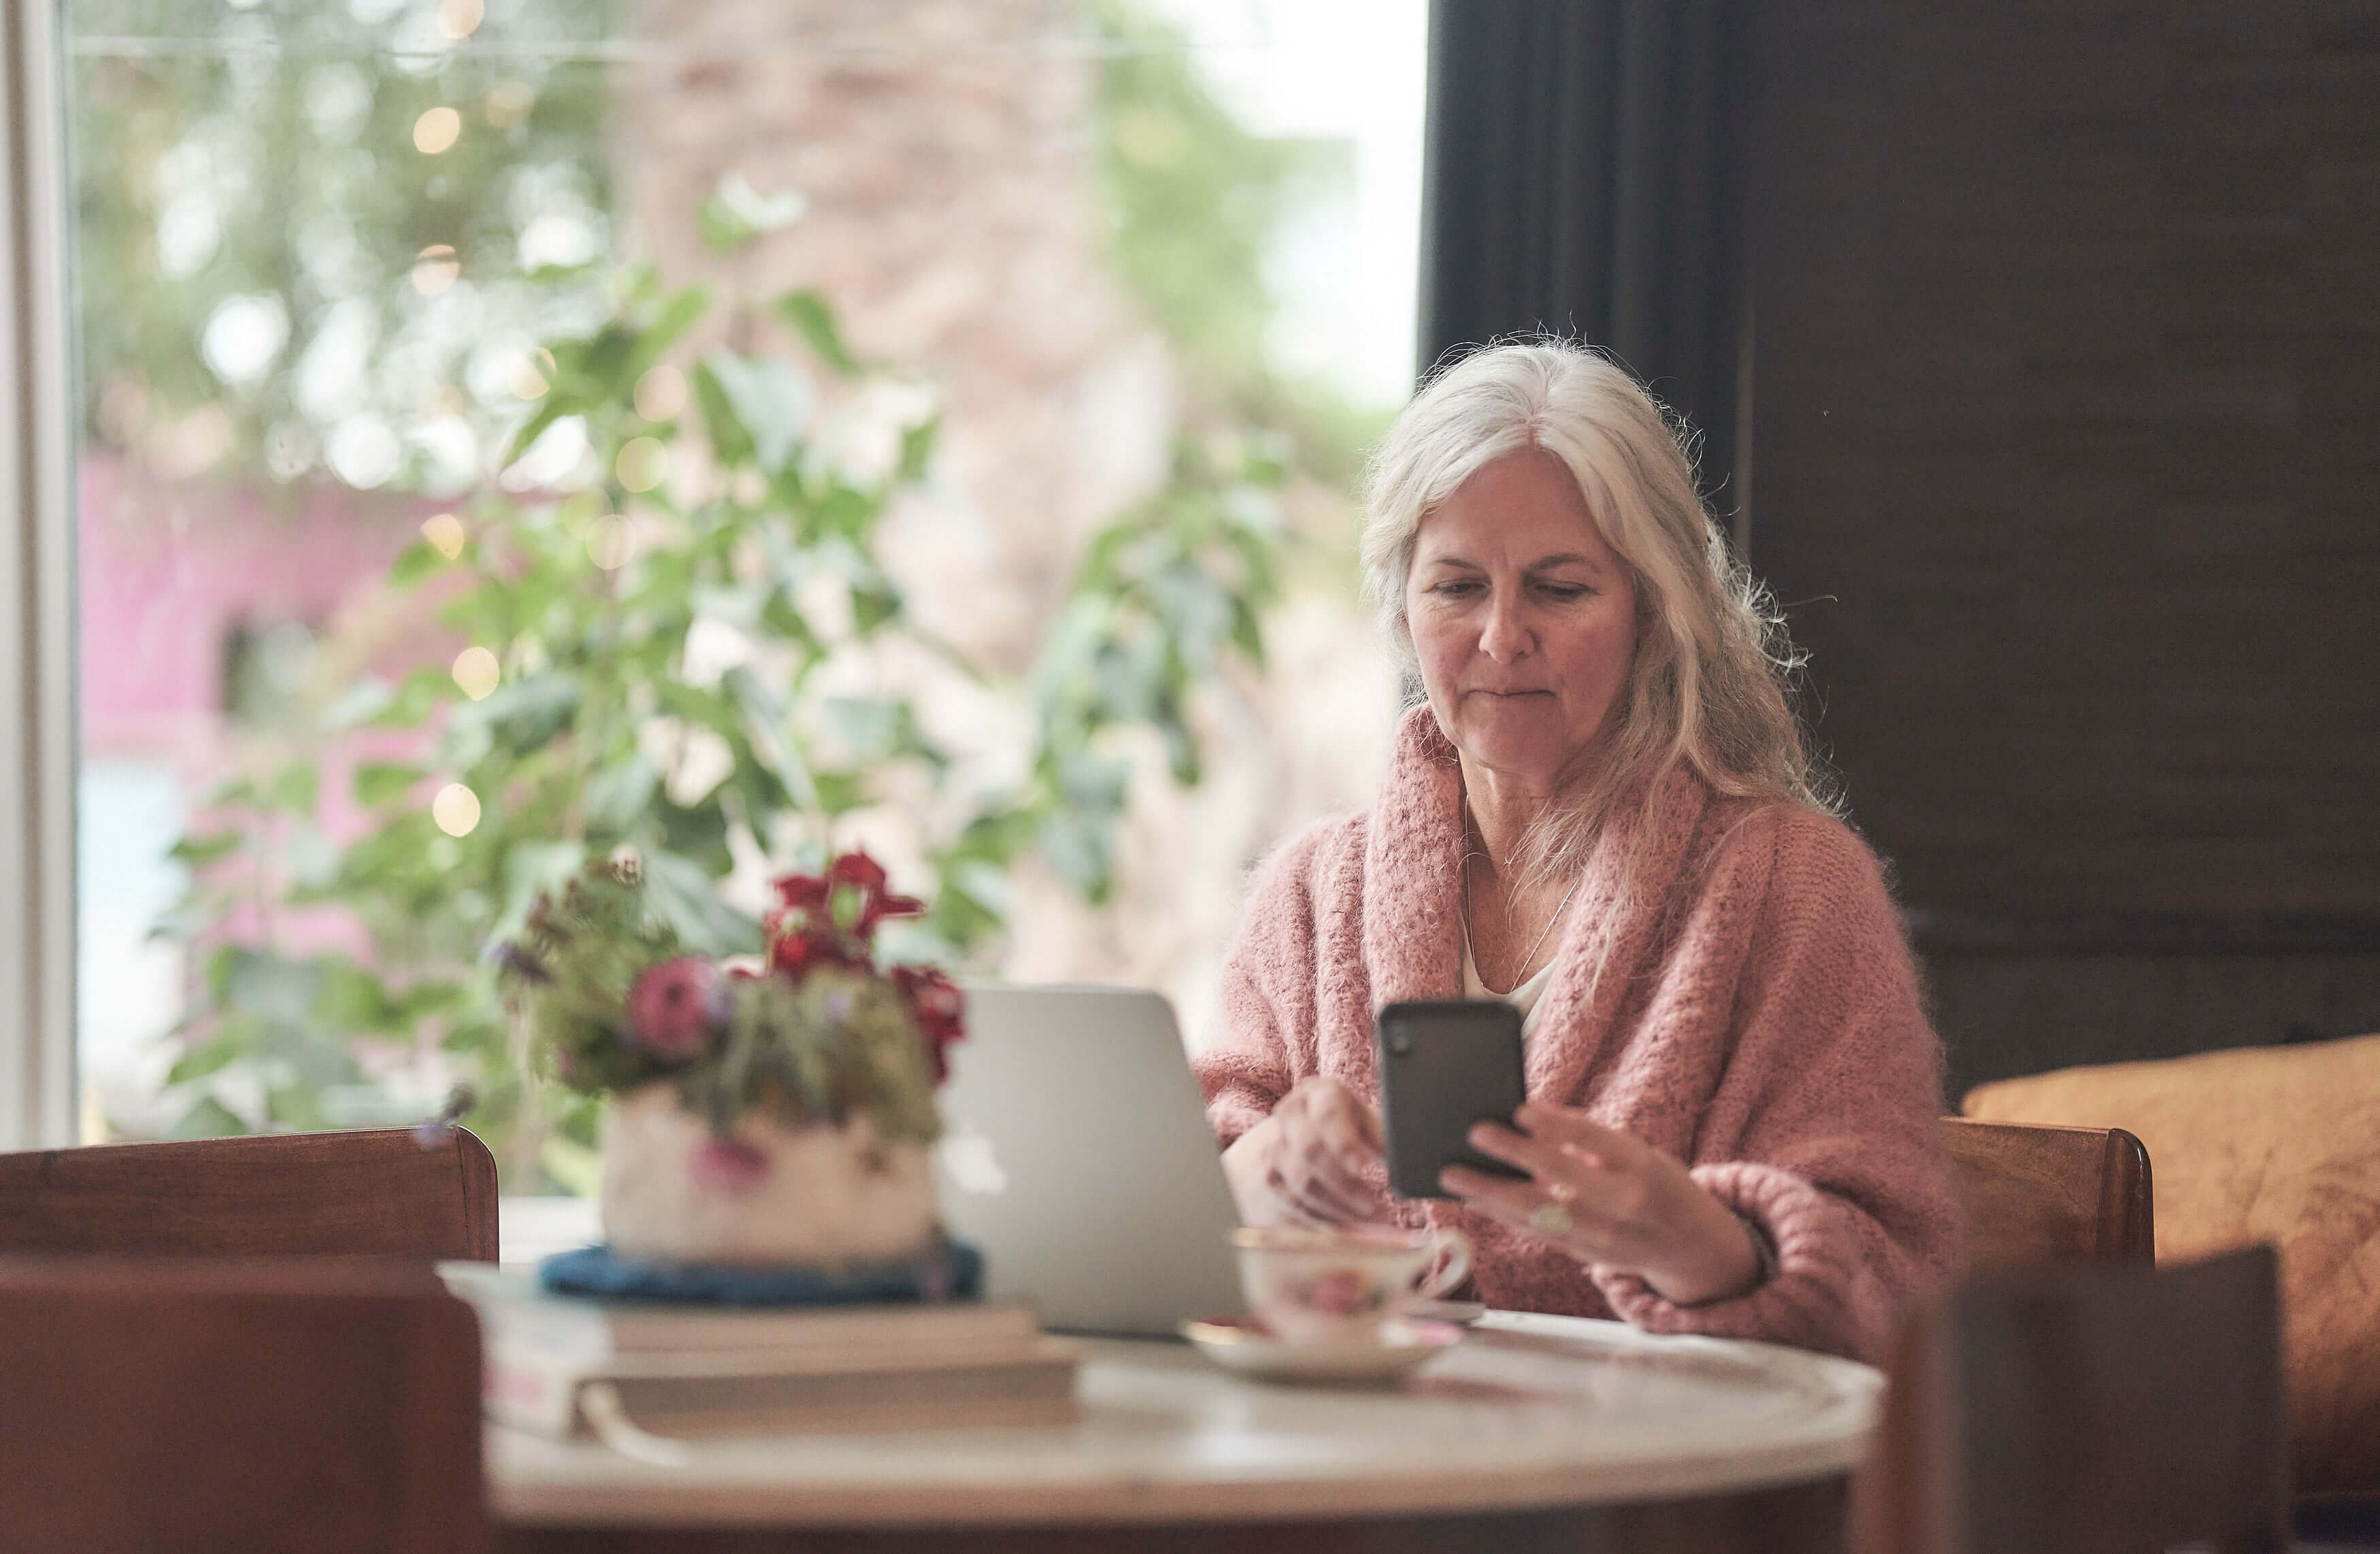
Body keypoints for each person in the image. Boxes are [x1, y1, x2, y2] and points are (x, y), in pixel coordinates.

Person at [1195, 341, 1960, 1362]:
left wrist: (1705, 1245)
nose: (1503, 636)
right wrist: (1254, 1181)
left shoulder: (1794, 887)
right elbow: (1176, 1213)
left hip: (1657, 1495)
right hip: (1355, 1471)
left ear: (1655, 611)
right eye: (1457, 587)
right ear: (1402, 607)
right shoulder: (1309, 894)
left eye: (1560, 589)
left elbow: (1898, 1282)